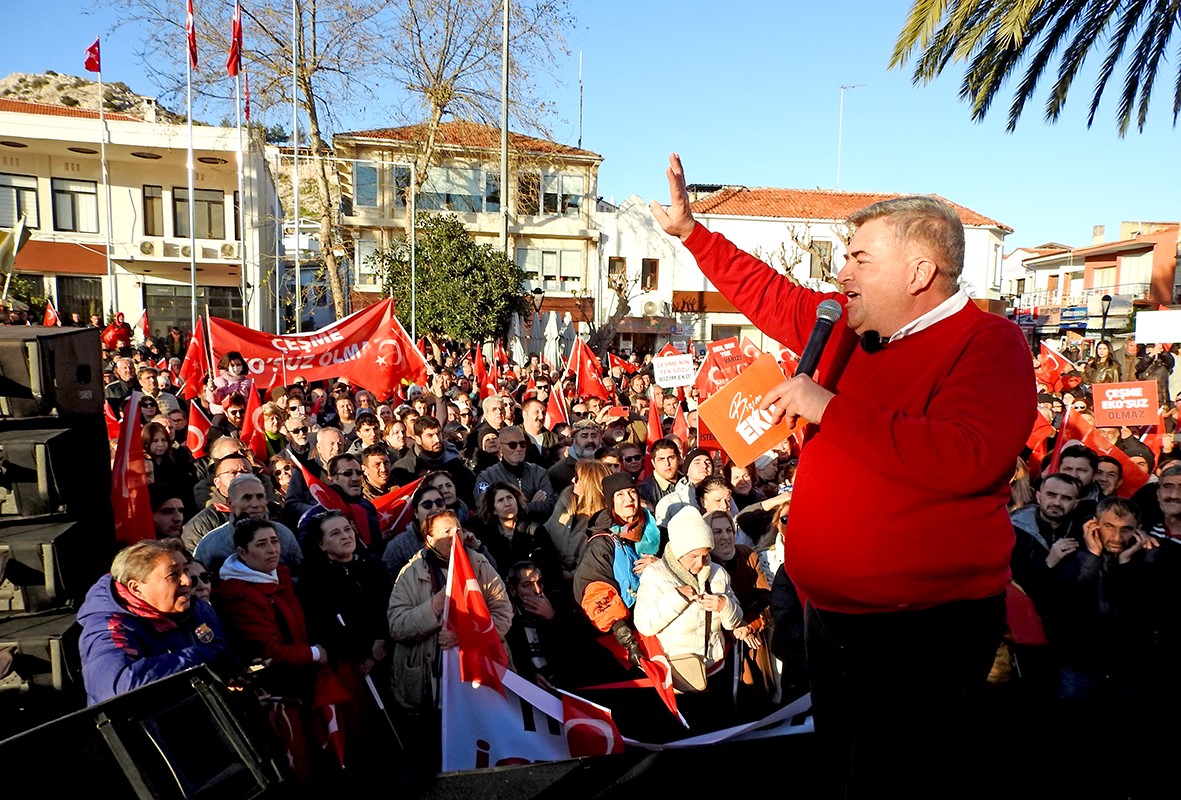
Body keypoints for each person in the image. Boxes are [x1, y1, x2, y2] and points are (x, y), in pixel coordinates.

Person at [651, 153, 1035, 797]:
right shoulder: (842, 325)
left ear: (920, 271)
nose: (842, 271)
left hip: (923, 632)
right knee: (838, 771)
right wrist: (693, 233)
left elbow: (967, 455)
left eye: (859, 258)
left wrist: (827, 406)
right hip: (831, 616)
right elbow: (767, 293)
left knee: (901, 785)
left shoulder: (988, 344)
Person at [386, 510, 512, 770]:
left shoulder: (478, 564)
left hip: (478, 680)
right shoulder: (411, 572)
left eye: (458, 530)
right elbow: (397, 625)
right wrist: (434, 606)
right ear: (429, 539)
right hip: (429, 687)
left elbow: (503, 614)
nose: (455, 537)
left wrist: (465, 636)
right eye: (446, 532)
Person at [77, 540, 226, 705]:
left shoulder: (196, 607)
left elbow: (220, 653)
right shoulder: (110, 628)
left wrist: (234, 674)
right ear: (136, 588)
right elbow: (119, 687)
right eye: (173, 575)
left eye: (185, 570)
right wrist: (199, 657)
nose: (187, 581)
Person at [634, 508, 746, 724]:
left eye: (705, 555)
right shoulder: (656, 574)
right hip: (678, 674)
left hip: (716, 669)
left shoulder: (718, 574)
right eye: (693, 556)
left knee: (717, 728)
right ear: (678, 551)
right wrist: (676, 598)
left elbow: (734, 621)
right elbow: (645, 625)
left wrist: (725, 605)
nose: (700, 563)